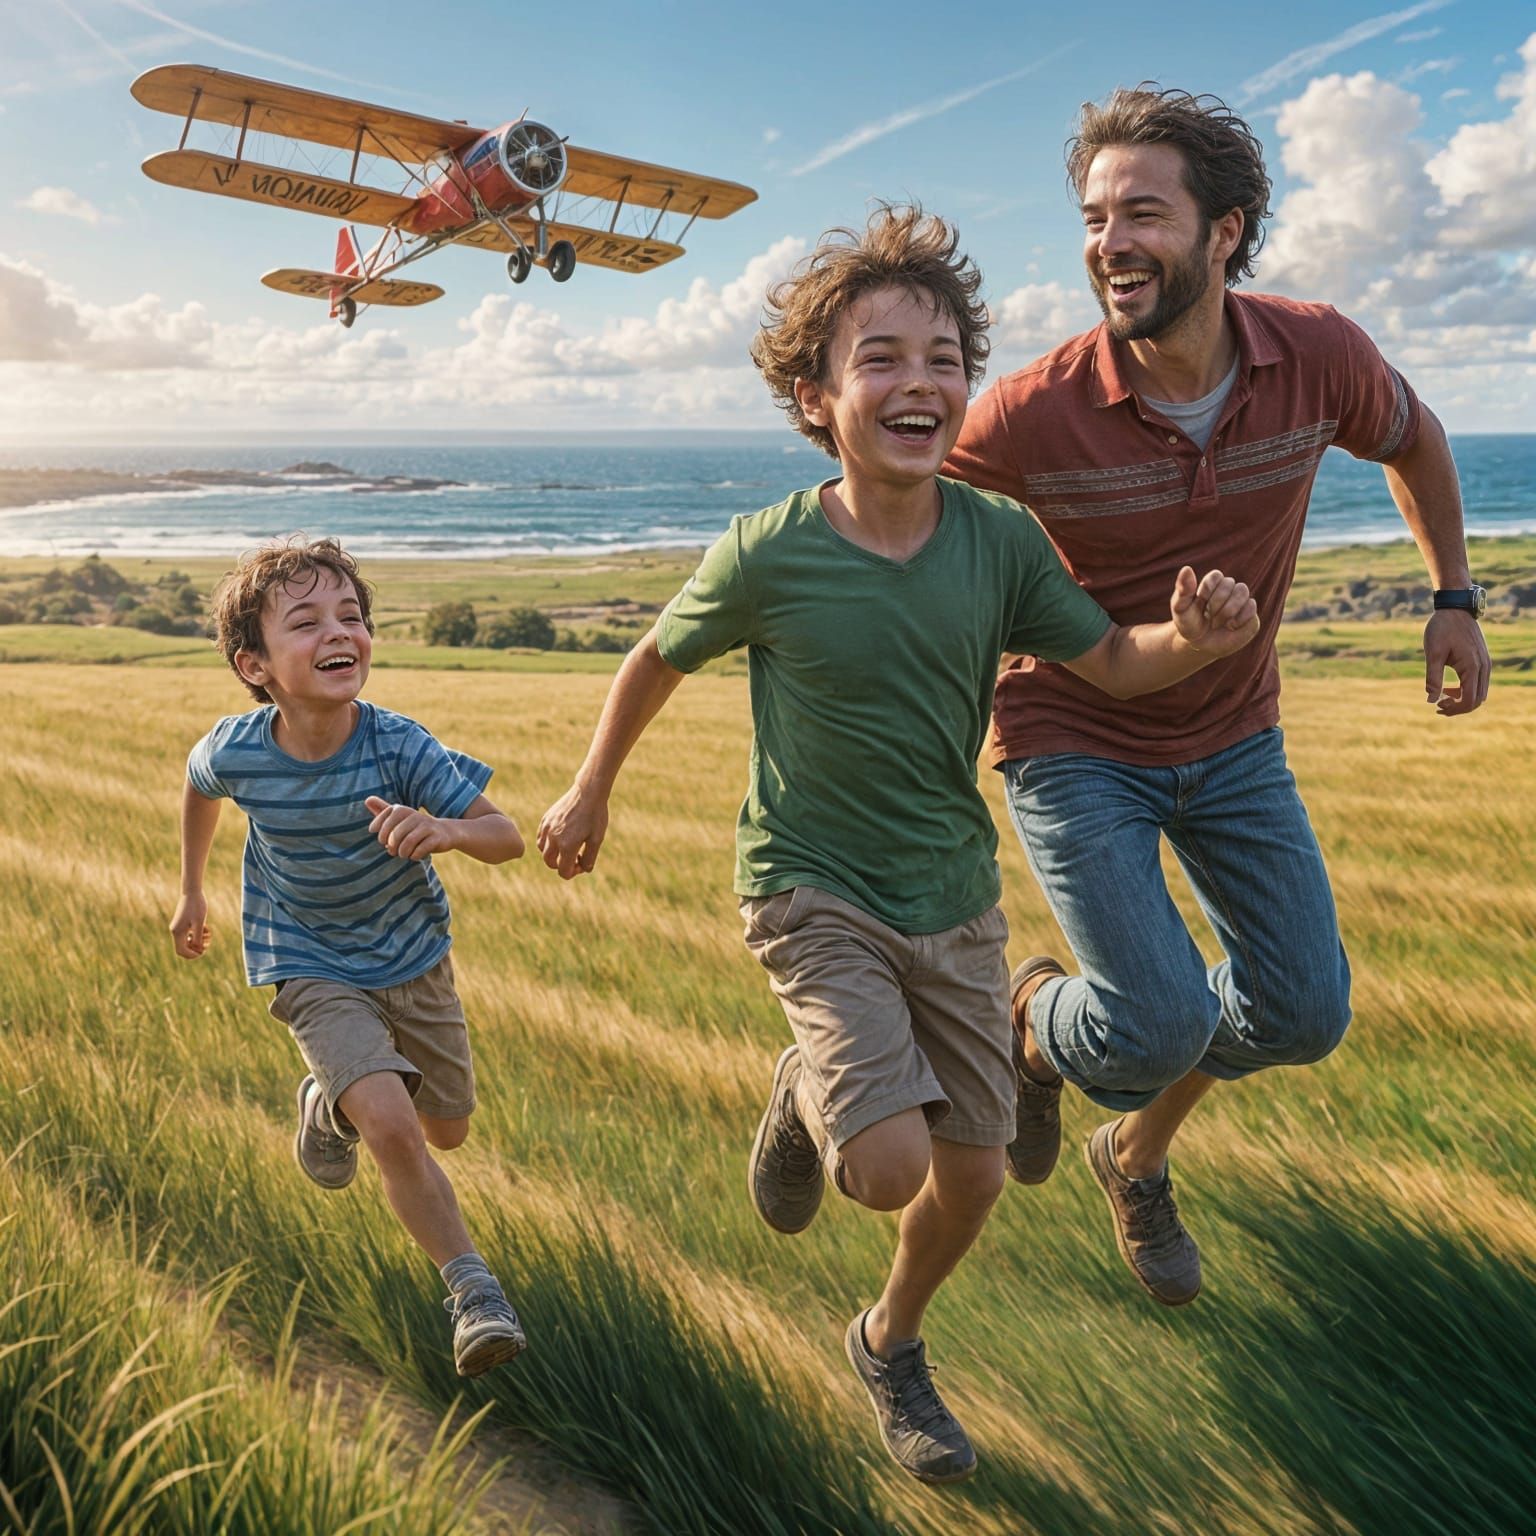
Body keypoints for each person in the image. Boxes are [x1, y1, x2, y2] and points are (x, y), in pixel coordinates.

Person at [536, 205, 1259, 1484]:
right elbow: (655, 657)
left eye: (943, 358)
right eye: (881, 358)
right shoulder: (771, 552)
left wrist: (1191, 642)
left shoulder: (998, 541)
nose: (919, 380)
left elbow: (1109, 658)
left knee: (972, 1180)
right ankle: (812, 1086)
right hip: (809, 889)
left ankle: (888, 1341)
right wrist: (590, 791)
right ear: (817, 400)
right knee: (884, 1168)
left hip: (952, 899)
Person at [945, 86, 1491, 1309]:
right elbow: (899, 494)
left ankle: (1131, 1154)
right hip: (1074, 735)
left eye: (1143, 213)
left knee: (1302, 1013)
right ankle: (1030, 1019)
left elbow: (1414, 437)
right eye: (1095, 219)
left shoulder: (1320, 356)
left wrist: (1453, 597)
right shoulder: (1036, 410)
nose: (1110, 242)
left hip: (1235, 732)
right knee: (1148, 1031)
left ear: (1226, 231)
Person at [168, 536, 529, 1378]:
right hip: (306, 958)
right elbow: (197, 785)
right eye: (306, 622)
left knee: (445, 1131)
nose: (338, 632)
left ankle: (326, 1106)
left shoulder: (399, 746)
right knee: (394, 1128)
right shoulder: (237, 749)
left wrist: (445, 830)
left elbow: (505, 836)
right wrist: (191, 891)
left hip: (413, 957)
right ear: (254, 665)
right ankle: (474, 1295)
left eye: (351, 615)